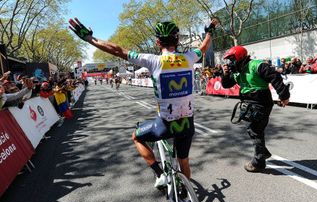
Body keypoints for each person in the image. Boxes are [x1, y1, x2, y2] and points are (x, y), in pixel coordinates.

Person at [69, 17, 219, 187]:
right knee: (184, 161)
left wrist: (89, 39)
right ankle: (186, 189)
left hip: (165, 124)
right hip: (187, 123)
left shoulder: (152, 60)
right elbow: (204, 46)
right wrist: (209, 31)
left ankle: (159, 174)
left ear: (157, 42)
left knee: (137, 137)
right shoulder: (190, 57)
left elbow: (117, 50)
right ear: (177, 40)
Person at [222, 46, 290, 173]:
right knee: (253, 129)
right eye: (228, 61)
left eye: (232, 60)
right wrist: (225, 74)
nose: (230, 63)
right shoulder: (237, 71)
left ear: (240, 57)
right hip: (249, 104)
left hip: (262, 102)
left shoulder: (256, 65)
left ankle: (258, 162)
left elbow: (275, 77)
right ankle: (263, 152)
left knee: (255, 130)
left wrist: (284, 95)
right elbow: (226, 84)